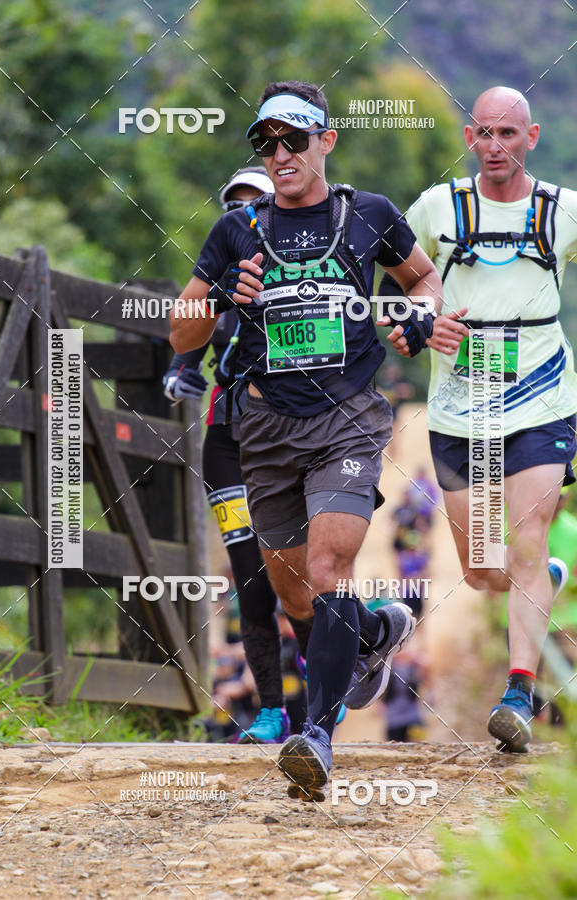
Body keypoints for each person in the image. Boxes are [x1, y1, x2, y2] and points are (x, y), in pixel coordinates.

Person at [171, 80, 443, 799]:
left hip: (347, 419)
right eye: (267, 141)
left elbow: (424, 281)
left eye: (295, 138)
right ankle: (371, 635)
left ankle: (316, 735)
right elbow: (181, 331)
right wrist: (224, 293)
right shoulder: (237, 230)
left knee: (327, 571)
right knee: (293, 590)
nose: (281, 153)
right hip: (264, 426)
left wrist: (417, 317)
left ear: (326, 140)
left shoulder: (369, 216)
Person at [381, 86, 577, 752]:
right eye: (484, 134)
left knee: (524, 540)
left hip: (543, 396)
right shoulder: (438, 208)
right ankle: (543, 579)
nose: (495, 146)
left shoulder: (561, 212)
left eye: (508, 134)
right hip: (463, 406)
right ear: (470, 139)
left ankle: (518, 696)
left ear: (532, 137)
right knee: (483, 569)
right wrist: (417, 326)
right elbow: (401, 288)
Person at [164, 167, 295, 745]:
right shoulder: (217, 280)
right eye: (235, 206)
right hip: (227, 435)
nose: (246, 215)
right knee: (249, 573)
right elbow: (188, 338)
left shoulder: (301, 267)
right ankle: (272, 711)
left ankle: (347, 662)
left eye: (257, 203)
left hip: (294, 433)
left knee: (300, 570)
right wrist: (178, 372)